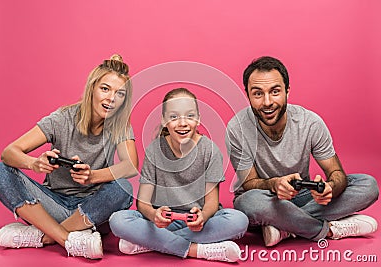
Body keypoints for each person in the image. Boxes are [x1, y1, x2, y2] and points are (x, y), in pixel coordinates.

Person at [0, 54, 138, 259]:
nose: (111, 98)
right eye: (105, 89)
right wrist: (35, 163)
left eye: (119, 94)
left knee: (124, 188)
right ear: (92, 88)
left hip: (91, 210)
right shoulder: (62, 118)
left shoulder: (119, 125)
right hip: (51, 204)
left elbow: (130, 166)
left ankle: (44, 236)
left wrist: (92, 176)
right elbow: (9, 153)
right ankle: (69, 238)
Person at [226, 56, 379, 247]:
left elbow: (337, 173)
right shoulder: (236, 128)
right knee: (248, 203)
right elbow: (248, 184)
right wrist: (275, 184)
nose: (267, 102)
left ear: (287, 91)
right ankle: (329, 229)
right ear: (247, 95)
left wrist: (330, 187)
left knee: (368, 185)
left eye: (275, 92)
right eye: (258, 94)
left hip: (302, 197)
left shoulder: (310, 122)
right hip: (265, 201)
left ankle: (285, 227)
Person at [109, 88, 248, 262]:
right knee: (118, 220)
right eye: (174, 117)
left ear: (198, 119)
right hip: (162, 223)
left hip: (197, 224)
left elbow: (212, 203)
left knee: (239, 220)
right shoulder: (155, 150)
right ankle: (195, 250)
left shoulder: (210, 151)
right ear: (164, 120)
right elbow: (142, 203)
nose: (182, 123)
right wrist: (154, 215)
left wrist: (202, 217)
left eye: (190, 116)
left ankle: (150, 243)